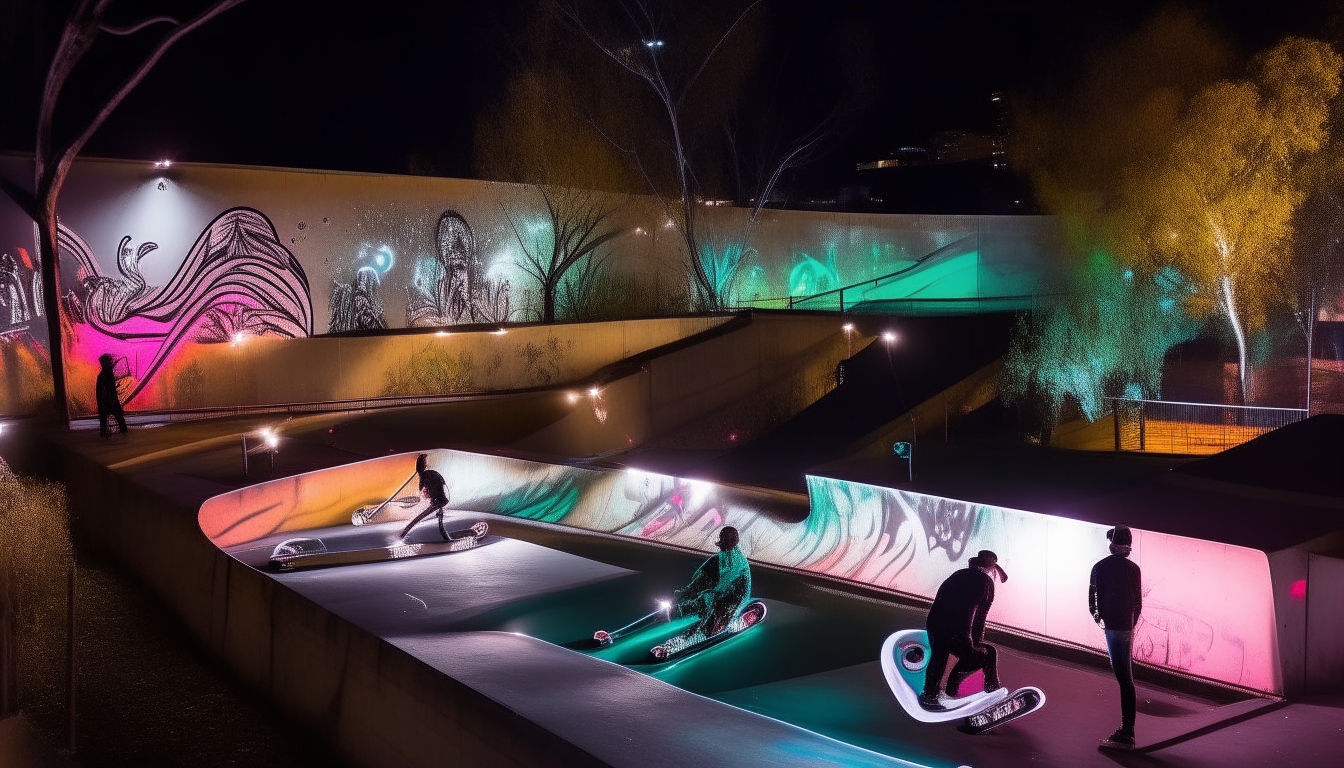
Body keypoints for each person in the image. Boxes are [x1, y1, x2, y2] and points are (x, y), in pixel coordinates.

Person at [918, 550, 1007, 711]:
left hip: (935, 625)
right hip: (959, 629)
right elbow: (977, 616)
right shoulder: (985, 582)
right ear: (991, 569)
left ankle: (931, 695)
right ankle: (992, 694)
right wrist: (971, 641)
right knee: (988, 653)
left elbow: (941, 602)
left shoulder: (957, 574)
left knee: (939, 657)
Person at [1090, 525, 1143, 747]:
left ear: (1111, 544)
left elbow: (1092, 598)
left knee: (1124, 678)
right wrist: (1131, 623)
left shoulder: (1099, 567)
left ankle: (1127, 732)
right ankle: (1127, 730)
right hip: (1125, 625)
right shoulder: (1134, 569)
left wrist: (1099, 618)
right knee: (1125, 678)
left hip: (1113, 625)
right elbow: (1138, 603)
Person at [661, 526, 752, 650]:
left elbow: (704, 585)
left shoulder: (731, 563)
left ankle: (683, 644)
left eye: (723, 538)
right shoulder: (729, 560)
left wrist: (682, 596)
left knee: (705, 630)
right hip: (725, 603)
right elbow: (699, 584)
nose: (721, 542)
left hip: (728, 605)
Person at [398, 463, 451, 541]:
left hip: (438, 501)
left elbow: (424, 490)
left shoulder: (426, 477)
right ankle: (446, 538)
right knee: (438, 521)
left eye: (425, 491)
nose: (423, 493)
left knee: (419, 519)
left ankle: (403, 535)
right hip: (440, 499)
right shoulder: (429, 474)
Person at [95, 353, 127, 437]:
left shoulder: (104, 375)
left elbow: (102, 392)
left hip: (107, 402)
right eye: (108, 362)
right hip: (109, 402)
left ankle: (104, 438)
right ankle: (123, 436)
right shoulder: (105, 375)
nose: (110, 364)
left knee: (106, 424)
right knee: (119, 421)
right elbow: (106, 391)